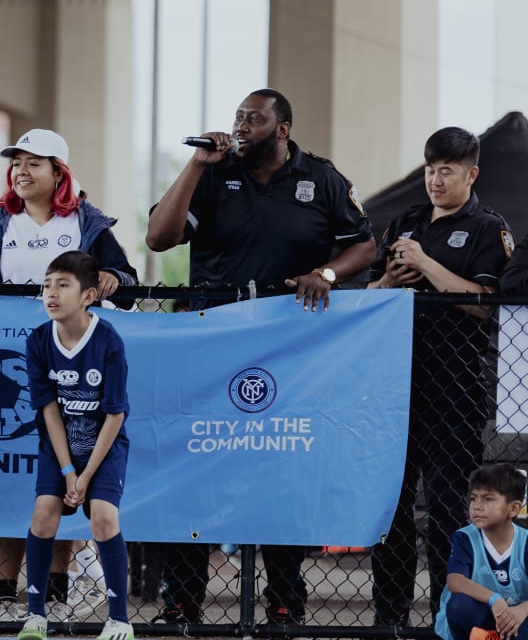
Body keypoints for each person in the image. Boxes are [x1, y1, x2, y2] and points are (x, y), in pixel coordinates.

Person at [145, 89, 377, 627]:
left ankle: (284, 602)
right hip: (213, 342)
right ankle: (182, 600)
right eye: (237, 118)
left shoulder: (321, 179)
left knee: (281, 467)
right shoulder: (212, 173)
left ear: (283, 128)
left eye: (254, 118)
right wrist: (198, 163)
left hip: (289, 348)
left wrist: (326, 275)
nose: (241, 126)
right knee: (197, 466)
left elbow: (364, 246)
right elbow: (159, 237)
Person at [0, 129, 137, 623]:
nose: (21, 170)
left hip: (73, 365)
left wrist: (114, 278)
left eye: (34, 162)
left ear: (60, 172)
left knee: (63, 496)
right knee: (22, 489)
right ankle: (11, 591)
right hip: (6, 364)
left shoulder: (87, 221)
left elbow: (128, 280)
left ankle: (60, 588)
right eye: (15, 162)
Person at [367, 127, 515, 628]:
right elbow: (371, 294)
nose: (435, 179)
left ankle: (446, 617)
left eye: (446, 170)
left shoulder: (485, 228)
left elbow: (483, 306)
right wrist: (389, 280)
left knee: (451, 507)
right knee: (391, 505)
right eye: (430, 169)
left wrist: (427, 265)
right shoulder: (405, 222)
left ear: (471, 173)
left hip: (454, 385)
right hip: (393, 384)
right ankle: (390, 616)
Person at [17, 251, 132, 640]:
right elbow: (49, 408)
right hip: (60, 447)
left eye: (63, 285)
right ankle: (35, 615)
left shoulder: (108, 340)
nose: (51, 293)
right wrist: (67, 471)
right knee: (44, 512)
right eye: (47, 285)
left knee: (102, 516)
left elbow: (115, 415)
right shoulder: (38, 340)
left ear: (88, 295)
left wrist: (85, 476)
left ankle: (119, 619)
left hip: (103, 446)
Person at [433, 464, 528, 640]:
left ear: (514, 508)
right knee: (458, 605)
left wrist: (522, 610)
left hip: (515, 618)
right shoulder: (465, 537)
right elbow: (455, 580)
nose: (477, 506)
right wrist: (494, 599)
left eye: (488, 499)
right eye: (474, 498)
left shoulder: (525, 542)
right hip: (483, 614)